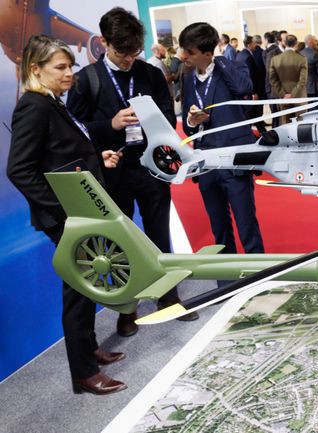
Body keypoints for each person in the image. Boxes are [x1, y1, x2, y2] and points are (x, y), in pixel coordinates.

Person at [67, 7, 198, 337]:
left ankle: (168, 297)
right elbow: (75, 129)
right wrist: (110, 125)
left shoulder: (150, 74)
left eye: (134, 52)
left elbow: (168, 115)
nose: (128, 59)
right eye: (122, 52)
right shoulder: (87, 80)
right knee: (120, 243)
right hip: (112, 173)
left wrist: (152, 121)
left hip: (152, 167)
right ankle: (126, 309)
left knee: (159, 235)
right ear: (104, 43)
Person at [7, 35, 125, 395]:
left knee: (86, 286)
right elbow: (19, 169)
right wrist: (64, 210)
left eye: (70, 66)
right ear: (35, 69)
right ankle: (83, 373)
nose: (69, 73)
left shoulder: (51, 102)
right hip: (66, 218)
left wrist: (97, 159)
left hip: (77, 213)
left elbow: (59, 153)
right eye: (60, 67)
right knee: (78, 290)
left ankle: (88, 349)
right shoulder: (34, 106)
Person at [178, 22, 266, 257]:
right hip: (205, 163)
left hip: (233, 161)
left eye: (190, 51)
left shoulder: (231, 67)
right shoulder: (188, 79)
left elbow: (244, 88)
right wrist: (192, 122)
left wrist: (219, 60)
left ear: (207, 53)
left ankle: (260, 274)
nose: (184, 56)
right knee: (219, 230)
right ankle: (226, 277)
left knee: (247, 227)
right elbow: (187, 126)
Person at [269, 34, 308, 124]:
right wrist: (293, 94)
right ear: (296, 43)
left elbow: (272, 79)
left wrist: (283, 94)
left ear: (284, 43)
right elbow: (303, 80)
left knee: (285, 125)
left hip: (283, 98)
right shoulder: (302, 59)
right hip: (299, 97)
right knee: (300, 125)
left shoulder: (275, 59)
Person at [236, 35, 265, 132]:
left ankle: (262, 132)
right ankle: (261, 132)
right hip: (250, 91)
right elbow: (251, 76)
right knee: (251, 112)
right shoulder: (248, 57)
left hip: (244, 90)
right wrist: (254, 92)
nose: (255, 45)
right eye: (253, 43)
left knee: (253, 113)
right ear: (249, 44)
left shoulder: (240, 55)